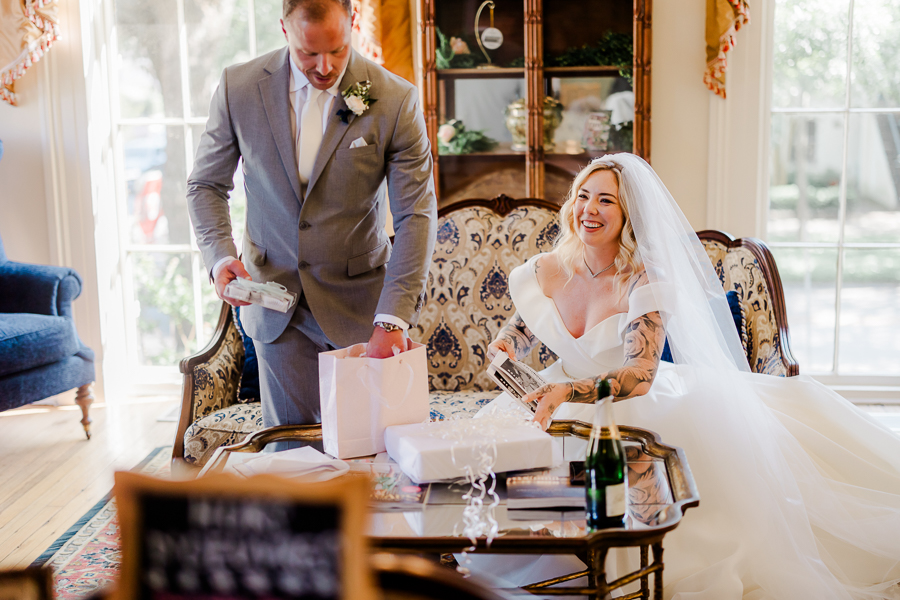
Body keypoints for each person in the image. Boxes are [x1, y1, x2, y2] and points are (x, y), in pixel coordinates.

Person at [475, 153, 900, 598]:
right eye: (583, 196)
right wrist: (507, 346)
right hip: (556, 389)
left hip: (625, 400)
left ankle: (619, 563)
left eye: (606, 201)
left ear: (628, 216)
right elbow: (523, 328)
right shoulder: (549, 266)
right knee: (490, 452)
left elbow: (640, 374)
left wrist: (567, 391)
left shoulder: (644, 279)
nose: (590, 209)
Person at [187, 0, 436, 433]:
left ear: (354, 23)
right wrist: (219, 257)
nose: (324, 67)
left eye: (338, 50)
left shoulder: (396, 99)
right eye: (308, 52)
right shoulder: (239, 88)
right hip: (275, 304)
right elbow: (205, 185)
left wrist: (392, 318)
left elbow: (416, 214)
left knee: (369, 464)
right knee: (292, 463)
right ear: (284, 29)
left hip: (362, 309)